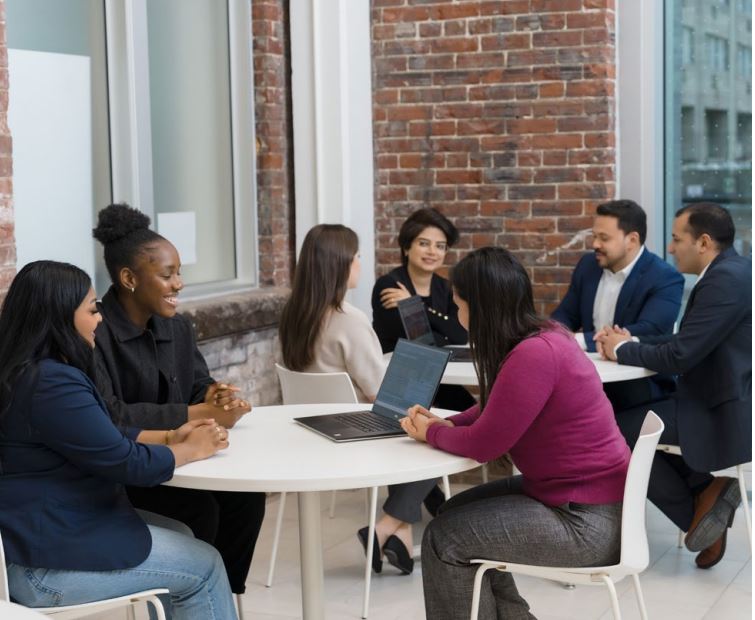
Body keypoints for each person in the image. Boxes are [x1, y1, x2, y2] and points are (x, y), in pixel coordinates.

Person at [400, 247, 631, 620]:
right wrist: (447, 424)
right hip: (580, 499)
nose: (459, 314)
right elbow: (502, 405)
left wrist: (433, 434)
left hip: (585, 521)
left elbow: (485, 445)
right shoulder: (546, 335)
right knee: (452, 511)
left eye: (460, 304)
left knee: (445, 538)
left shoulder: (533, 355)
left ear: (481, 306)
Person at [0, 261, 235, 618]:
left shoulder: (26, 372)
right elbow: (125, 463)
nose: (99, 319)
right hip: (44, 566)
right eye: (92, 309)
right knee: (205, 566)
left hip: (31, 542)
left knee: (184, 533)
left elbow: (97, 435)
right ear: (60, 317)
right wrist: (188, 450)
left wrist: (171, 435)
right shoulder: (52, 383)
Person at [91, 203, 265, 596]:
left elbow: (197, 384)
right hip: (129, 468)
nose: (179, 284)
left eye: (179, 273)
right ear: (129, 278)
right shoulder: (96, 333)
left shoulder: (178, 327)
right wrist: (199, 411)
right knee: (199, 510)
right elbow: (111, 415)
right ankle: (189, 596)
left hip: (186, 457)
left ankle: (222, 595)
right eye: (167, 275)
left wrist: (215, 395)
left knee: (246, 500)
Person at [596, 203, 751, 570]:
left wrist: (623, 351)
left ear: (704, 242)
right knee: (626, 417)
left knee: (615, 430)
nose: (669, 248)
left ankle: (697, 512)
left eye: (676, 238)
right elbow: (688, 340)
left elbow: (682, 354)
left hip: (723, 408)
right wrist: (630, 342)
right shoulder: (729, 271)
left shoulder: (726, 278)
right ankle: (703, 491)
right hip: (711, 395)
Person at [279, 224, 433, 575]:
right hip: (353, 432)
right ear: (340, 264)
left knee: (412, 423)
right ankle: (384, 528)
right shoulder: (349, 320)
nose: (361, 264)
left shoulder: (293, 314)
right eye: (358, 256)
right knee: (430, 427)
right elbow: (382, 392)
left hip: (307, 430)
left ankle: (400, 534)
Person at [552, 199, 684, 410]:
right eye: (594, 236)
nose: (595, 244)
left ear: (632, 239)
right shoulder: (588, 265)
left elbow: (649, 330)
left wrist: (579, 340)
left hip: (638, 385)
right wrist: (552, 335)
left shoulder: (665, 278)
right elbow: (564, 316)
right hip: (589, 375)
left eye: (604, 238)